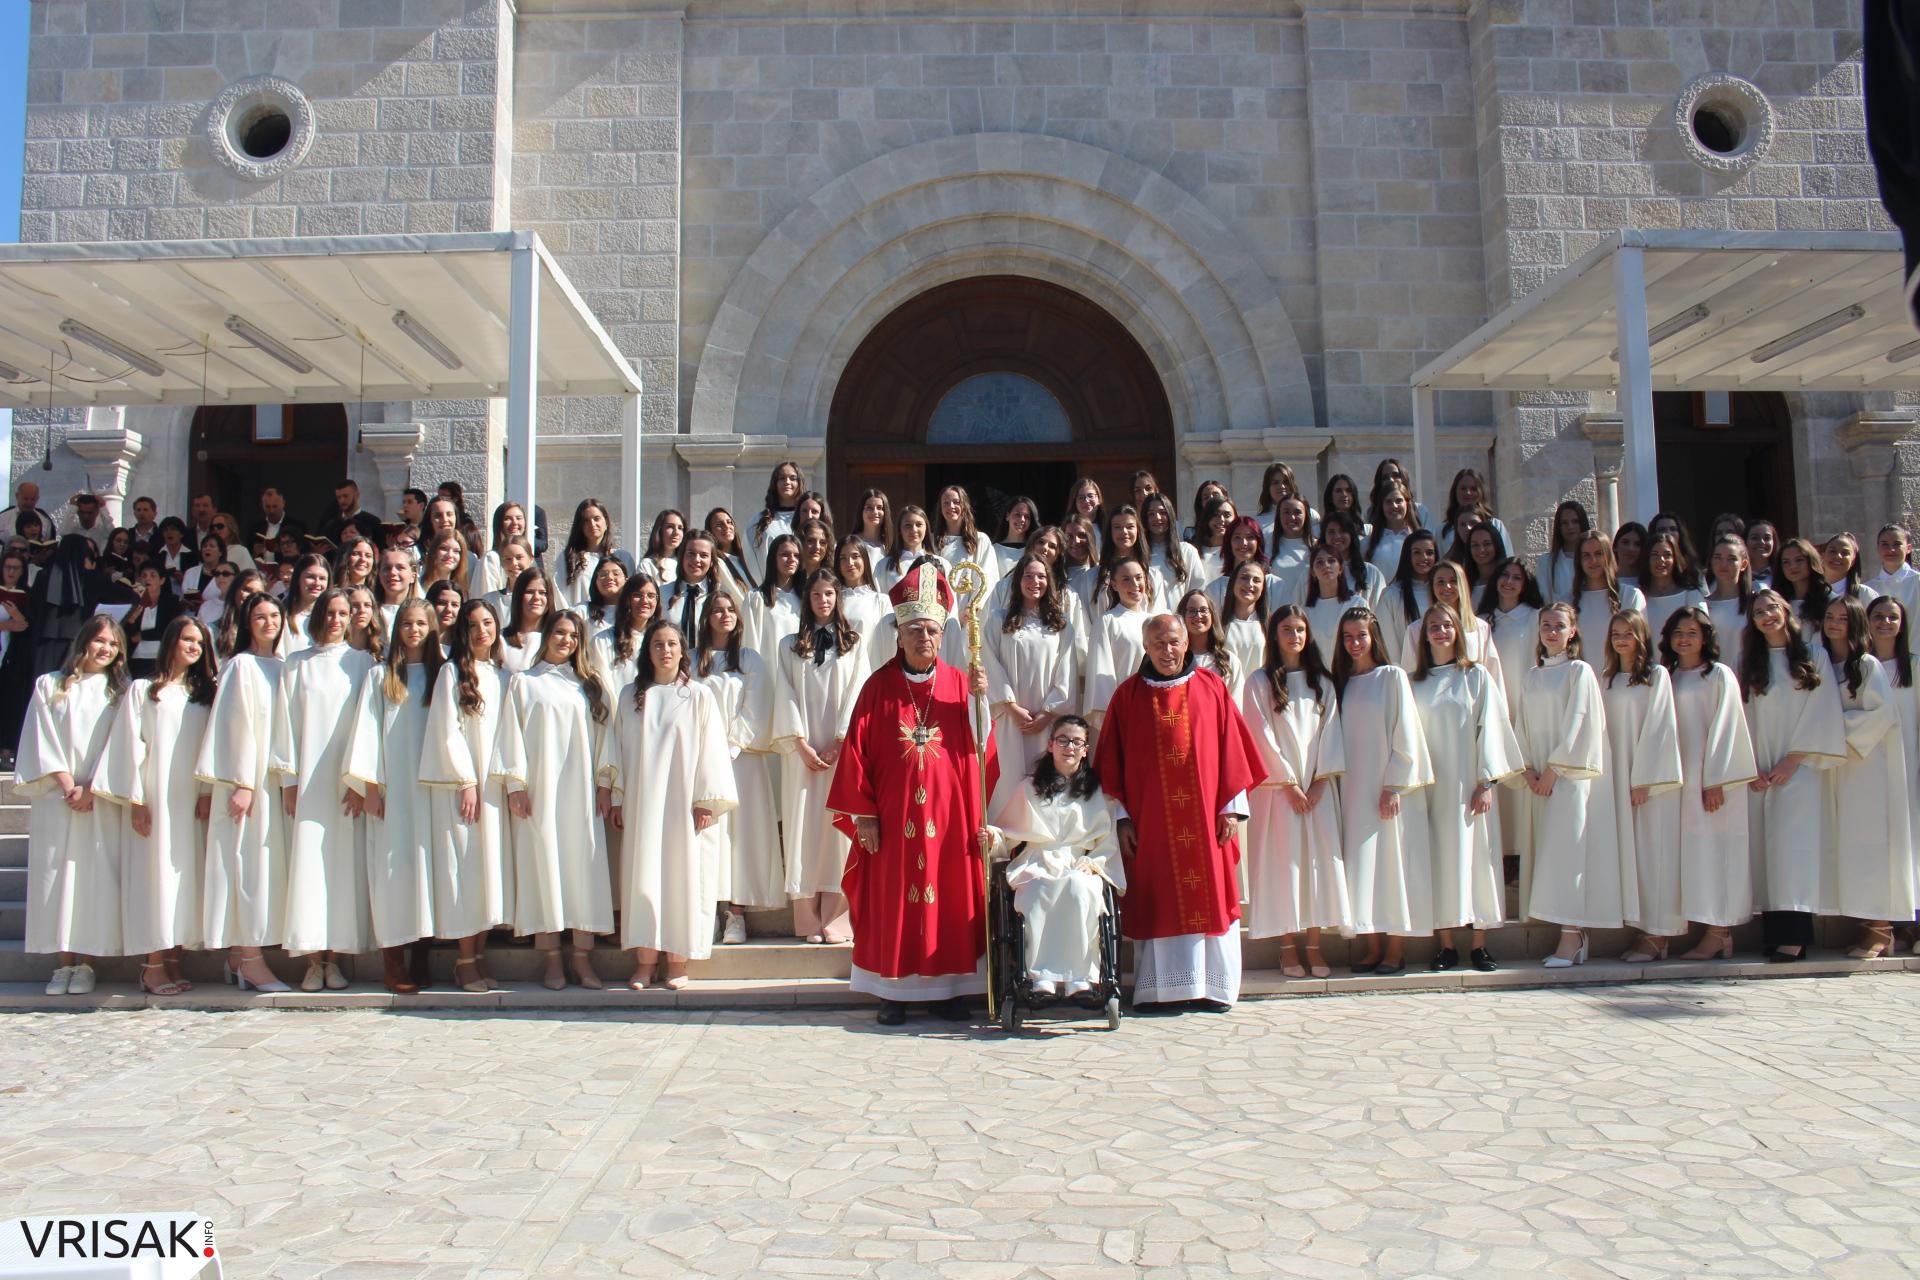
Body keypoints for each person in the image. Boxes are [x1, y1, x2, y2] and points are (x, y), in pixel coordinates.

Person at [828, 562, 995, 1025]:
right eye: (915, 630)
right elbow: (857, 753)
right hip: (892, 818)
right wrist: (863, 814)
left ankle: (950, 992)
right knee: (893, 901)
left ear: (943, 636)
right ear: (899, 634)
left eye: (932, 631)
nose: (925, 638)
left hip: (950, 818)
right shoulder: (878, 688)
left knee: (949, 899)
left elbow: (983, 748)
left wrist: (981, 700)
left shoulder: (961, 684)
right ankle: (892, 993)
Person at [1093, 613, 1263, 1008]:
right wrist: (1122, 819)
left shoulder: (1211, 686)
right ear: (1145, 647)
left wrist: (1231, 809)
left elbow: (1233, 753)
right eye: (1158, 644)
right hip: (1152, 823)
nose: (1167, 651)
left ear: (1187, 643)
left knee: (1212, 894)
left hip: (1207, 819)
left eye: (1174, 642)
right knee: (1159, 896)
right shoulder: (1128, 695)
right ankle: (1164, 991)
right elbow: (1112, 765)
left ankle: (1214, 988)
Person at [600, 622, 738, 990]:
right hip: (642, 802)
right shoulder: (631, 695)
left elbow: (712, 749)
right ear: (648, 651)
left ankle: (677, 961)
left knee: (682, 877)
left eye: (672, 644)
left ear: (683, 651)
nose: (665, 650)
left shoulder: (697, 696)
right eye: (658, 644)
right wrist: (617, 797)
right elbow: (617, 750)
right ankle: (645, 961)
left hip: (684, 804)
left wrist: (706, 799)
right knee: (641, 874)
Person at [94, 616, 216, 997]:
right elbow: (130, 746)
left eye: (200, 641)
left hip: (191, 800)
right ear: (171, 642)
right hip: (155, 797)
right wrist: (136, 800)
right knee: (155, 879)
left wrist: (208, 793)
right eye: (187, 639)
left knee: (183, 880)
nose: (194, 647)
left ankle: (175, 958)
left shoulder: (205, 694)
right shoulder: (145, 691)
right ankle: (151, 965)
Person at [494, 611, 614, 990]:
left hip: (580, 794)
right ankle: (551, 960)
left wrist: (605, 782)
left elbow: (605, 738)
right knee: (543, 868)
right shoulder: (523, 684)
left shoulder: (588, 685)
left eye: (573, 636)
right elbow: (509, 736)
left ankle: (582, 957)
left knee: (582, 870)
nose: (566, 641)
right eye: (559, 633)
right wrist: (516, 785)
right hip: (541, 793)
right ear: (546, 635)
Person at [272, 588, 376, 991]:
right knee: (310, 868)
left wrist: (360, 780)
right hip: (310, 784)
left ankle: (337, 957)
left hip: (347, 784)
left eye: (343, 613)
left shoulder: (363, 663)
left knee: (342, 869)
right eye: (329, 612)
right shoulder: (297, 664)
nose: (336, 619)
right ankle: (313, 960)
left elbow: (368, 725)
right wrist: (289, 782)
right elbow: (285, 726)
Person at [1410, 602, 1523, 972]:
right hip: (1431, 789)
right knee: (1439, 861)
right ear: (1423, 635)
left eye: (1446, 625)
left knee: (1476, 862)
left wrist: (1486, 781)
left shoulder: (1475, 677)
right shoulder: (1414, 682)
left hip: (1468, 789)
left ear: (1458, 631)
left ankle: (1478, 944)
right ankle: (1445, 944)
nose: (1440, 632)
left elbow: (1490, 729)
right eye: (1433, 627)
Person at [19, 615, 128, 996]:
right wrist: (67, 783)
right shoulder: (50, 685)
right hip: (58, 797)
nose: (105, 649)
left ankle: (86, 962)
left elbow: (120, 746)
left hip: (98, 799)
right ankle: (61, 963)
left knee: (90, 880)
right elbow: (41, 736)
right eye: (100, 641)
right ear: (84, 641)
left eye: (113, 645)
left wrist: (94, 788)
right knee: (56, 878)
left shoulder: (119, 694)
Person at [1741, 588, 1847, 963]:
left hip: (1798, 767)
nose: (1767, 615)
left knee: (1793, 850)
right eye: (1758, 612)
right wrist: (1749, 763)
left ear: (1786, 611)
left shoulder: (1812, 654)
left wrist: (1794, 758)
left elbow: (1823, 709)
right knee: (1767, 851)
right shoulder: (1752, 661)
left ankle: (1795, 936)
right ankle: (1774, 932)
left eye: (1772, 607)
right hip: (1762, 767)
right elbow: (1746, 715)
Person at [986, 715, 1125, 998]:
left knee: (1080, 888)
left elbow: (1107, 842)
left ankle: (1080, 979)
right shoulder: (1029, 788)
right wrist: (993, 837)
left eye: (1077, 742)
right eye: (1063, 740)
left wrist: (1093, 863)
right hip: (1037, 861)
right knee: (1039, 888)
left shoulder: (1097, 792)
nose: (1069, 747)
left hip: (1078, 863)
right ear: (1050, 745)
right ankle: (1042, 979)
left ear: (1086, 749)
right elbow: (1008, 833)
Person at [1241, 606, 1346, 978]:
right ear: (1274, 635)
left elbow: (1332, 731)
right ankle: (1287, 947)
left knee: (1316, 865)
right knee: (1285, 866)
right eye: (1286, 629)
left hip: (1317, 790)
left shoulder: (1324, 682)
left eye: (1300, 629)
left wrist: (1319, 781)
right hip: (1277, 793)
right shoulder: (1259, 682)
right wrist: (1288, 784)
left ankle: (1314, 946)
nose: (1294, 636)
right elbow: (1258, 735)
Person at [345, 600, 440, 995]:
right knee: (393, 871)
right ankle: (393, 961)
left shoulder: (442, 674)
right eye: (407, 623)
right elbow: (366, 730)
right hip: (392, 787)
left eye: (421, 623)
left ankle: (423, 957)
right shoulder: (381, 676)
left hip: (431, 787)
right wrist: (370, 786)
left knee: (427, 870)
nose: (414, 630)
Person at [418, 599, 513, 992]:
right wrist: (465, 781)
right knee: (465, 865)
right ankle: (464, 960)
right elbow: (447, 730)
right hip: (465, 788)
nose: (481, 631)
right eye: (473, 625)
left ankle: (478, 956)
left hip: (494, 787)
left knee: (488, 871)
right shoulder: (451, 672)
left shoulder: (504, 676)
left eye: (488, 623)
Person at [197, 592, 290, 991]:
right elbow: (234, 727)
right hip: (249, 783)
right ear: (246, 622)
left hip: (273, 781)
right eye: (260, 616)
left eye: (274, 615)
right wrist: (241, 783)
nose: (268, 622)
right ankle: (250, 959)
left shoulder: (285, 666)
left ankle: (239, 957)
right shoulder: (241, 666)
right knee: (245, 864)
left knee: (263, 866)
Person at [772, 568, 868, 943]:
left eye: (829, 594)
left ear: (837, 598)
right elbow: (785, 693)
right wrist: (800, 743)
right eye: (816, 595)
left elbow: (859, 690)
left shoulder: (854, 643)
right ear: (807, 600)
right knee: (804, 830)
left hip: (840, 750)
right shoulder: (789, 644)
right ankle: (808, 919)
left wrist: (841, 740)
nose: (823, 601)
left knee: (837, 830)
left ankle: (836, 918)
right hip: (803, 753)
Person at [1658, 606, 1759, 961]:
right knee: (1688, 855)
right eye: (1678, 633)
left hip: (1710, 781)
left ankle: (1719, 931)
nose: (1684, 639)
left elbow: (1728, 729)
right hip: (1676, 781)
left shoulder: (1718, 675)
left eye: (1691, 632)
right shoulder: (1665, 675)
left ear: (1705, 638)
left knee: (1715, 852)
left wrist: (1716, 780)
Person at [1817, 595, 1914, 960]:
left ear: (1855, 622)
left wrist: (1827, 729)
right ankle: (1865, 924)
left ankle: (1882, 929)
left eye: (1843, 617)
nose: (1834, 622)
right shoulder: (1825, 663)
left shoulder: (1866, 665)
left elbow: (1881, 714)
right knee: (1847, 845)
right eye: (1829, 616)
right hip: (1835, 766)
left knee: (1872, 844)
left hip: (1868, 766)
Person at [1599, 611, 1685, 962]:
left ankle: (1658, 934)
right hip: (1616, 778)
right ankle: (1641, 929)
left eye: (1628, 634)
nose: (1621, 639)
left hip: (1647, 783)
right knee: (1631, 855)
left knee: (1654, 853)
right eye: (1616, 633)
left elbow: (1660, 727)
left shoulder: (1656, 676)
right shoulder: (1606, 678)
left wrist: (1645, 779)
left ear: (1641, 638)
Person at [699, 590, 783, 945]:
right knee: (708, 835)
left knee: (741, 837)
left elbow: (758, 703)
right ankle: (708, 910)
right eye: (716, 610)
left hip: (741, 759)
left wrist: (732, 744)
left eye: (729, 609)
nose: (723, 615)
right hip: (701, 761)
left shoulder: (750, 659)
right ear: (706, 618)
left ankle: (737, 913)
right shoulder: (691, 660)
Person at [981, 552, 1076, 816]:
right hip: (1011, 719)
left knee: (1045, 781)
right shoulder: (999, 620)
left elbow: (1066, 670)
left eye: (1041, 576)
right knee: (1009, 779)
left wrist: (1047, 714)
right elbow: (990, 663)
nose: (1035, 581)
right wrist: (1011, 707)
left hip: (1047, 721)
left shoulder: (1061, 626)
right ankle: (1005, 844)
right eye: (1028, 575)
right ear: (1018, 581)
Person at [744, 461, 805, 585]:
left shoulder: (808, 518)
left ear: (800, 483)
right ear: (775, 484)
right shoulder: (759, 522)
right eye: (782, 478)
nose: (787, 482)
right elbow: (749, 558)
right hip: (770, 590)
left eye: (793, 478)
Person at [556, 498, 618, 611]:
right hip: (577, 622)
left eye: (597, 518)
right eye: (586, 520)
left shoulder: (621, 557)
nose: (592, 524)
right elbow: (560, 595)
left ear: (606, 522)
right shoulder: (567, 558)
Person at [319, 479, 384, 547]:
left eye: (345, 496)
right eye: (339, 497)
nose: (342, 500)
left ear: (357, 495)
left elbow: (380, 549)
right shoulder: (331, 526)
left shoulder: (373, 522)